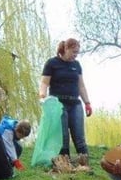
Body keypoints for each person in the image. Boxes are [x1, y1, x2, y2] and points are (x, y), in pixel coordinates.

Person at [39, 38, 92, 167]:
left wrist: (87, 102)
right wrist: (42, 96)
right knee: (63, 137)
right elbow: (44, 83)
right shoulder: (52, 63)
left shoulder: (76, 65)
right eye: (74, 52)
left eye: (77, 53)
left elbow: (81, 86)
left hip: (75, 104)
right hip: (58, 104)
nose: (75, 55)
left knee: (79, 136)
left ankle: (84, 164)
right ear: (66, 49)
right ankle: (65, 164)